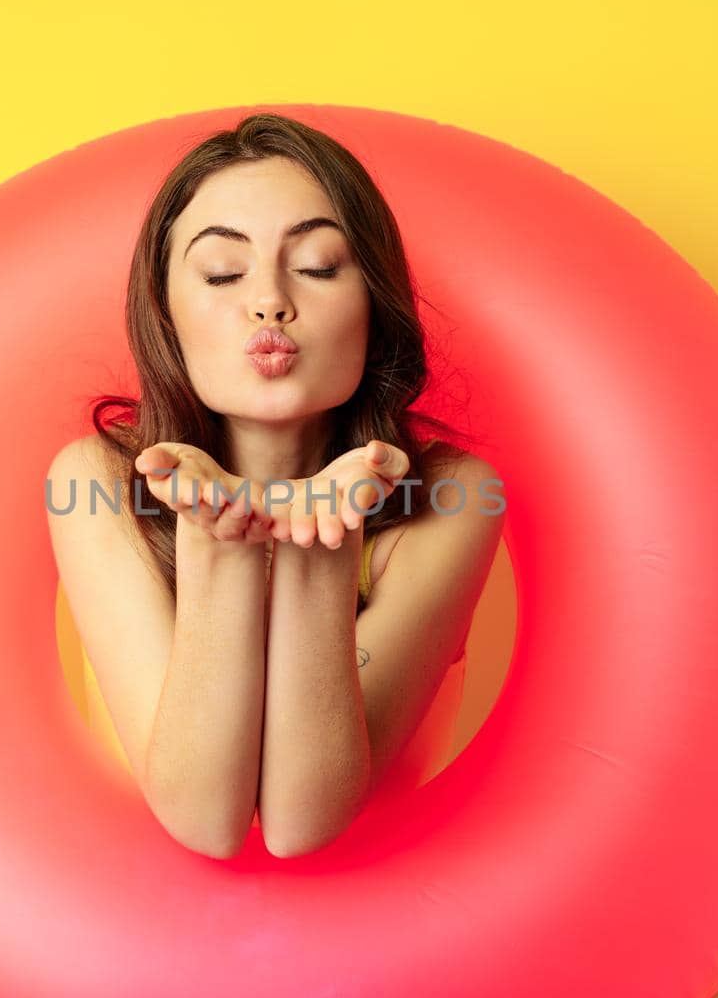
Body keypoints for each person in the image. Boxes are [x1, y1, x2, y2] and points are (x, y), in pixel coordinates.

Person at [44, 113, 504, 860]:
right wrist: (218, 540)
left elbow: (301, 822)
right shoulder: (97, 480)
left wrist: (320, 544)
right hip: (139, 945)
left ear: (374, 306)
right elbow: (203, 817)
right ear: (166, 314)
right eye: (224, 273)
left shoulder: (452, 497)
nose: (268, 302)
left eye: (319, 265)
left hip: (390, 938)